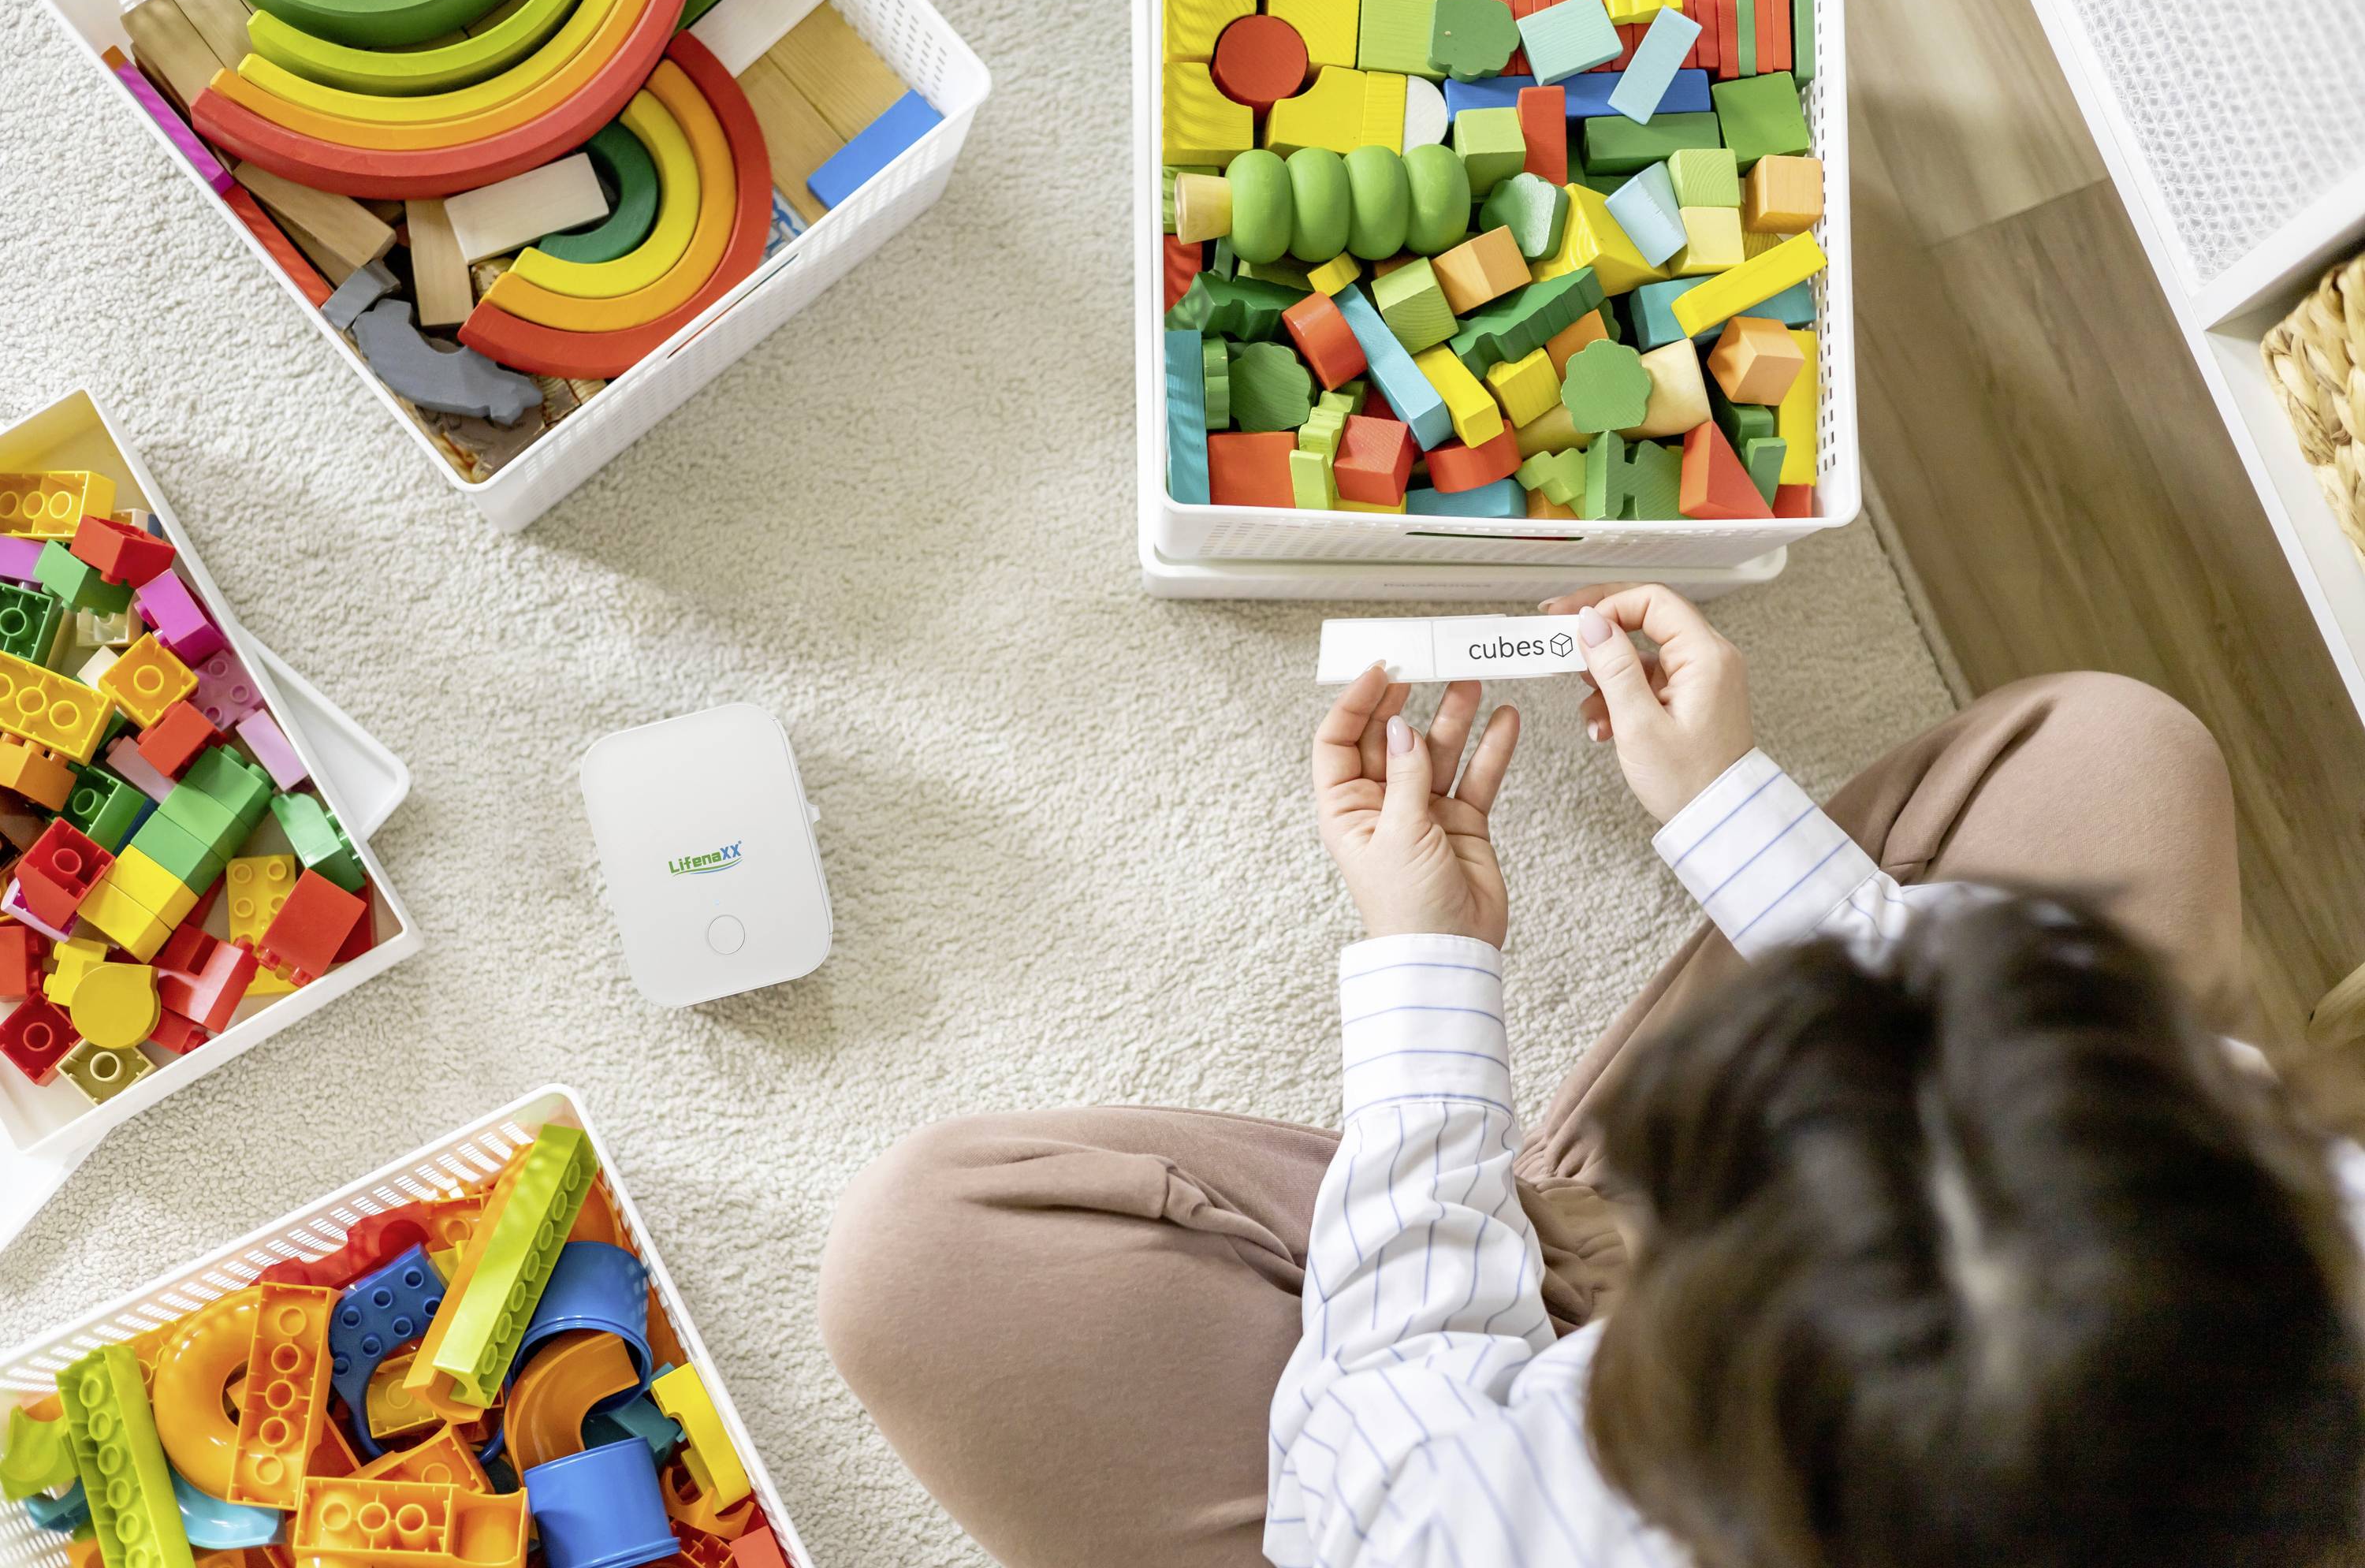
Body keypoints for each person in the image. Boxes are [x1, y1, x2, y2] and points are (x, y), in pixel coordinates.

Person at [819, 584, 2365, 1568]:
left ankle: (1552, 1222)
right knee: (2115, 754)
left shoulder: (1558, 1519)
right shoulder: (2309, 1247)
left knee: (929, 1266)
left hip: (1444, 1456)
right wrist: (1730, 810)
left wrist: (1428, 962)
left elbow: (1393, 1450)